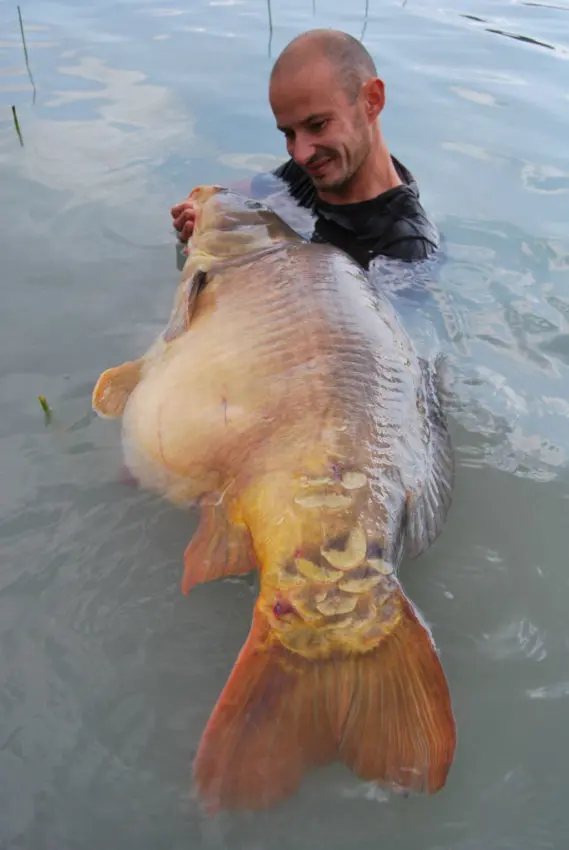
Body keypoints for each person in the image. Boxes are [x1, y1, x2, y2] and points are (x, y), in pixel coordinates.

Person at [170, 29, 439, 272]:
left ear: (372, 100)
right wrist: (205, 213)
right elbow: (231, 195)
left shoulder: (406, 247)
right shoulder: (308, 172)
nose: (300, 154)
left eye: (318, 125)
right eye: (288, 133)